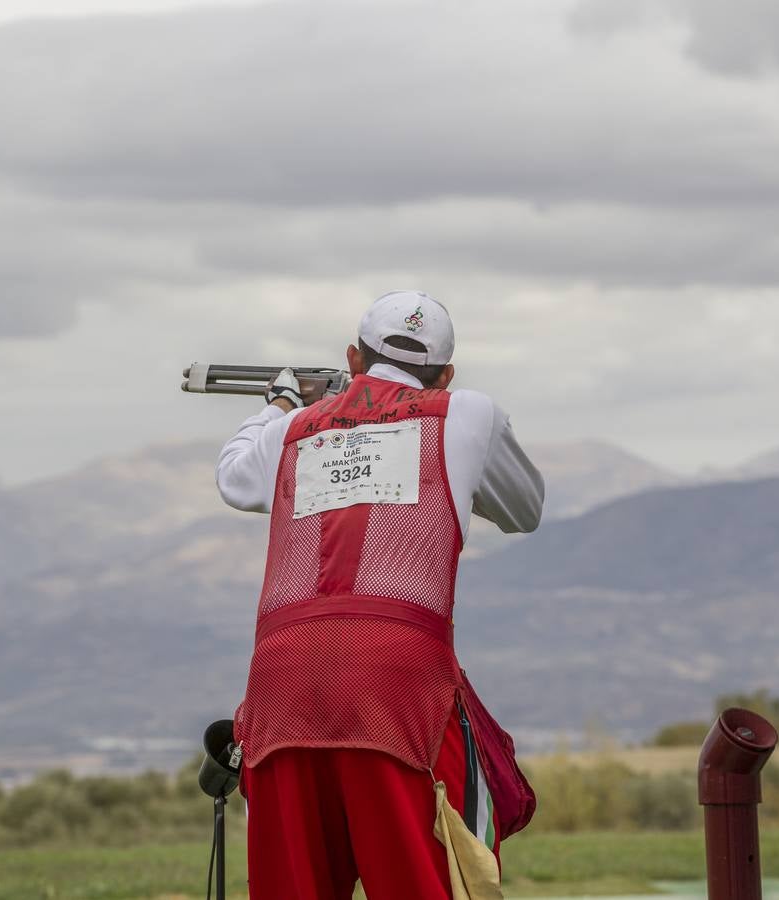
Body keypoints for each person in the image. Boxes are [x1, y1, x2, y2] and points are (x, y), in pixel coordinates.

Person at [215, 291, 544, 899]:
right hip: (399, 686)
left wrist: (281, 402)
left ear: (353, 358)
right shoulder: (464, 412)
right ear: (445, 374)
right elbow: (525, 510)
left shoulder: (291, 429)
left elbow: (233, 477)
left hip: (283, 681)